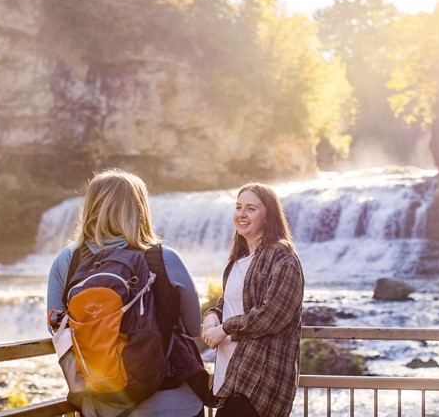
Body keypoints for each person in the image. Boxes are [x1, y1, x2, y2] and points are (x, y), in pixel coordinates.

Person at [46, 168, 205, 417]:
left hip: (101, 404)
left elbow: (57, 328)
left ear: (89, 207)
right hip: (172, 401)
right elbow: (194, 327)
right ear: (139, 208)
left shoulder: (68, 261)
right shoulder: (164, 258)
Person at [201, 182, 305, 417]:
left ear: (268, 216)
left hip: (259, 377)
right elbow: (226, 304)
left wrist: (225, 328)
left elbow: (272, 315)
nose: (242, 214)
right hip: (232, 374)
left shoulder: (281, 255)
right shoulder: (238, 259)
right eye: (238, 207)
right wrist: (211, 318)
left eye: (251, 208)